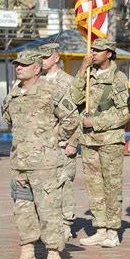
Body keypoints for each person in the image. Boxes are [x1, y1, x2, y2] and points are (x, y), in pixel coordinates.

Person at [0, 51, 79, 259]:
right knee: (23, 212)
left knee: (48, 211)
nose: (19, 68)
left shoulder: (51, 91)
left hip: (45, 164)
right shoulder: (14, 92)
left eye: (24, 65)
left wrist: (55, 139)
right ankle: (27, 258)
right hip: (19, 163)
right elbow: (8, 118)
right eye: (17, 64)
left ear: (37, 68)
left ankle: (54, 258)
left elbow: (72, 118)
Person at [70, 38, 130, 248]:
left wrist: (94, 122)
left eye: (98, 50)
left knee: (111, 186)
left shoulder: (118, 78)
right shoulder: (89, 75)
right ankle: (100, 227)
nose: (93, 53)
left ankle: (112, 231)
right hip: (89, 140)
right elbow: (73, 98)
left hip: (109, 140)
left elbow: (124, 113)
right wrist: (82, 69)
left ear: (110, 54)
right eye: (92, 49)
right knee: (94, 186)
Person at [39, 43, 79, 241]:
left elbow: (75, 116)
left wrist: (73, 142)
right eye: (41, 57)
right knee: (44, 186)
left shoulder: (68, 82)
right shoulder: (36, 81)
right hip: (41, 146)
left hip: (63, 143)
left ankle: (65, 224)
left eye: (46, 57)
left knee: (64, 184)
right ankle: (47, 223)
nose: (42, 61)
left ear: (56, 58)